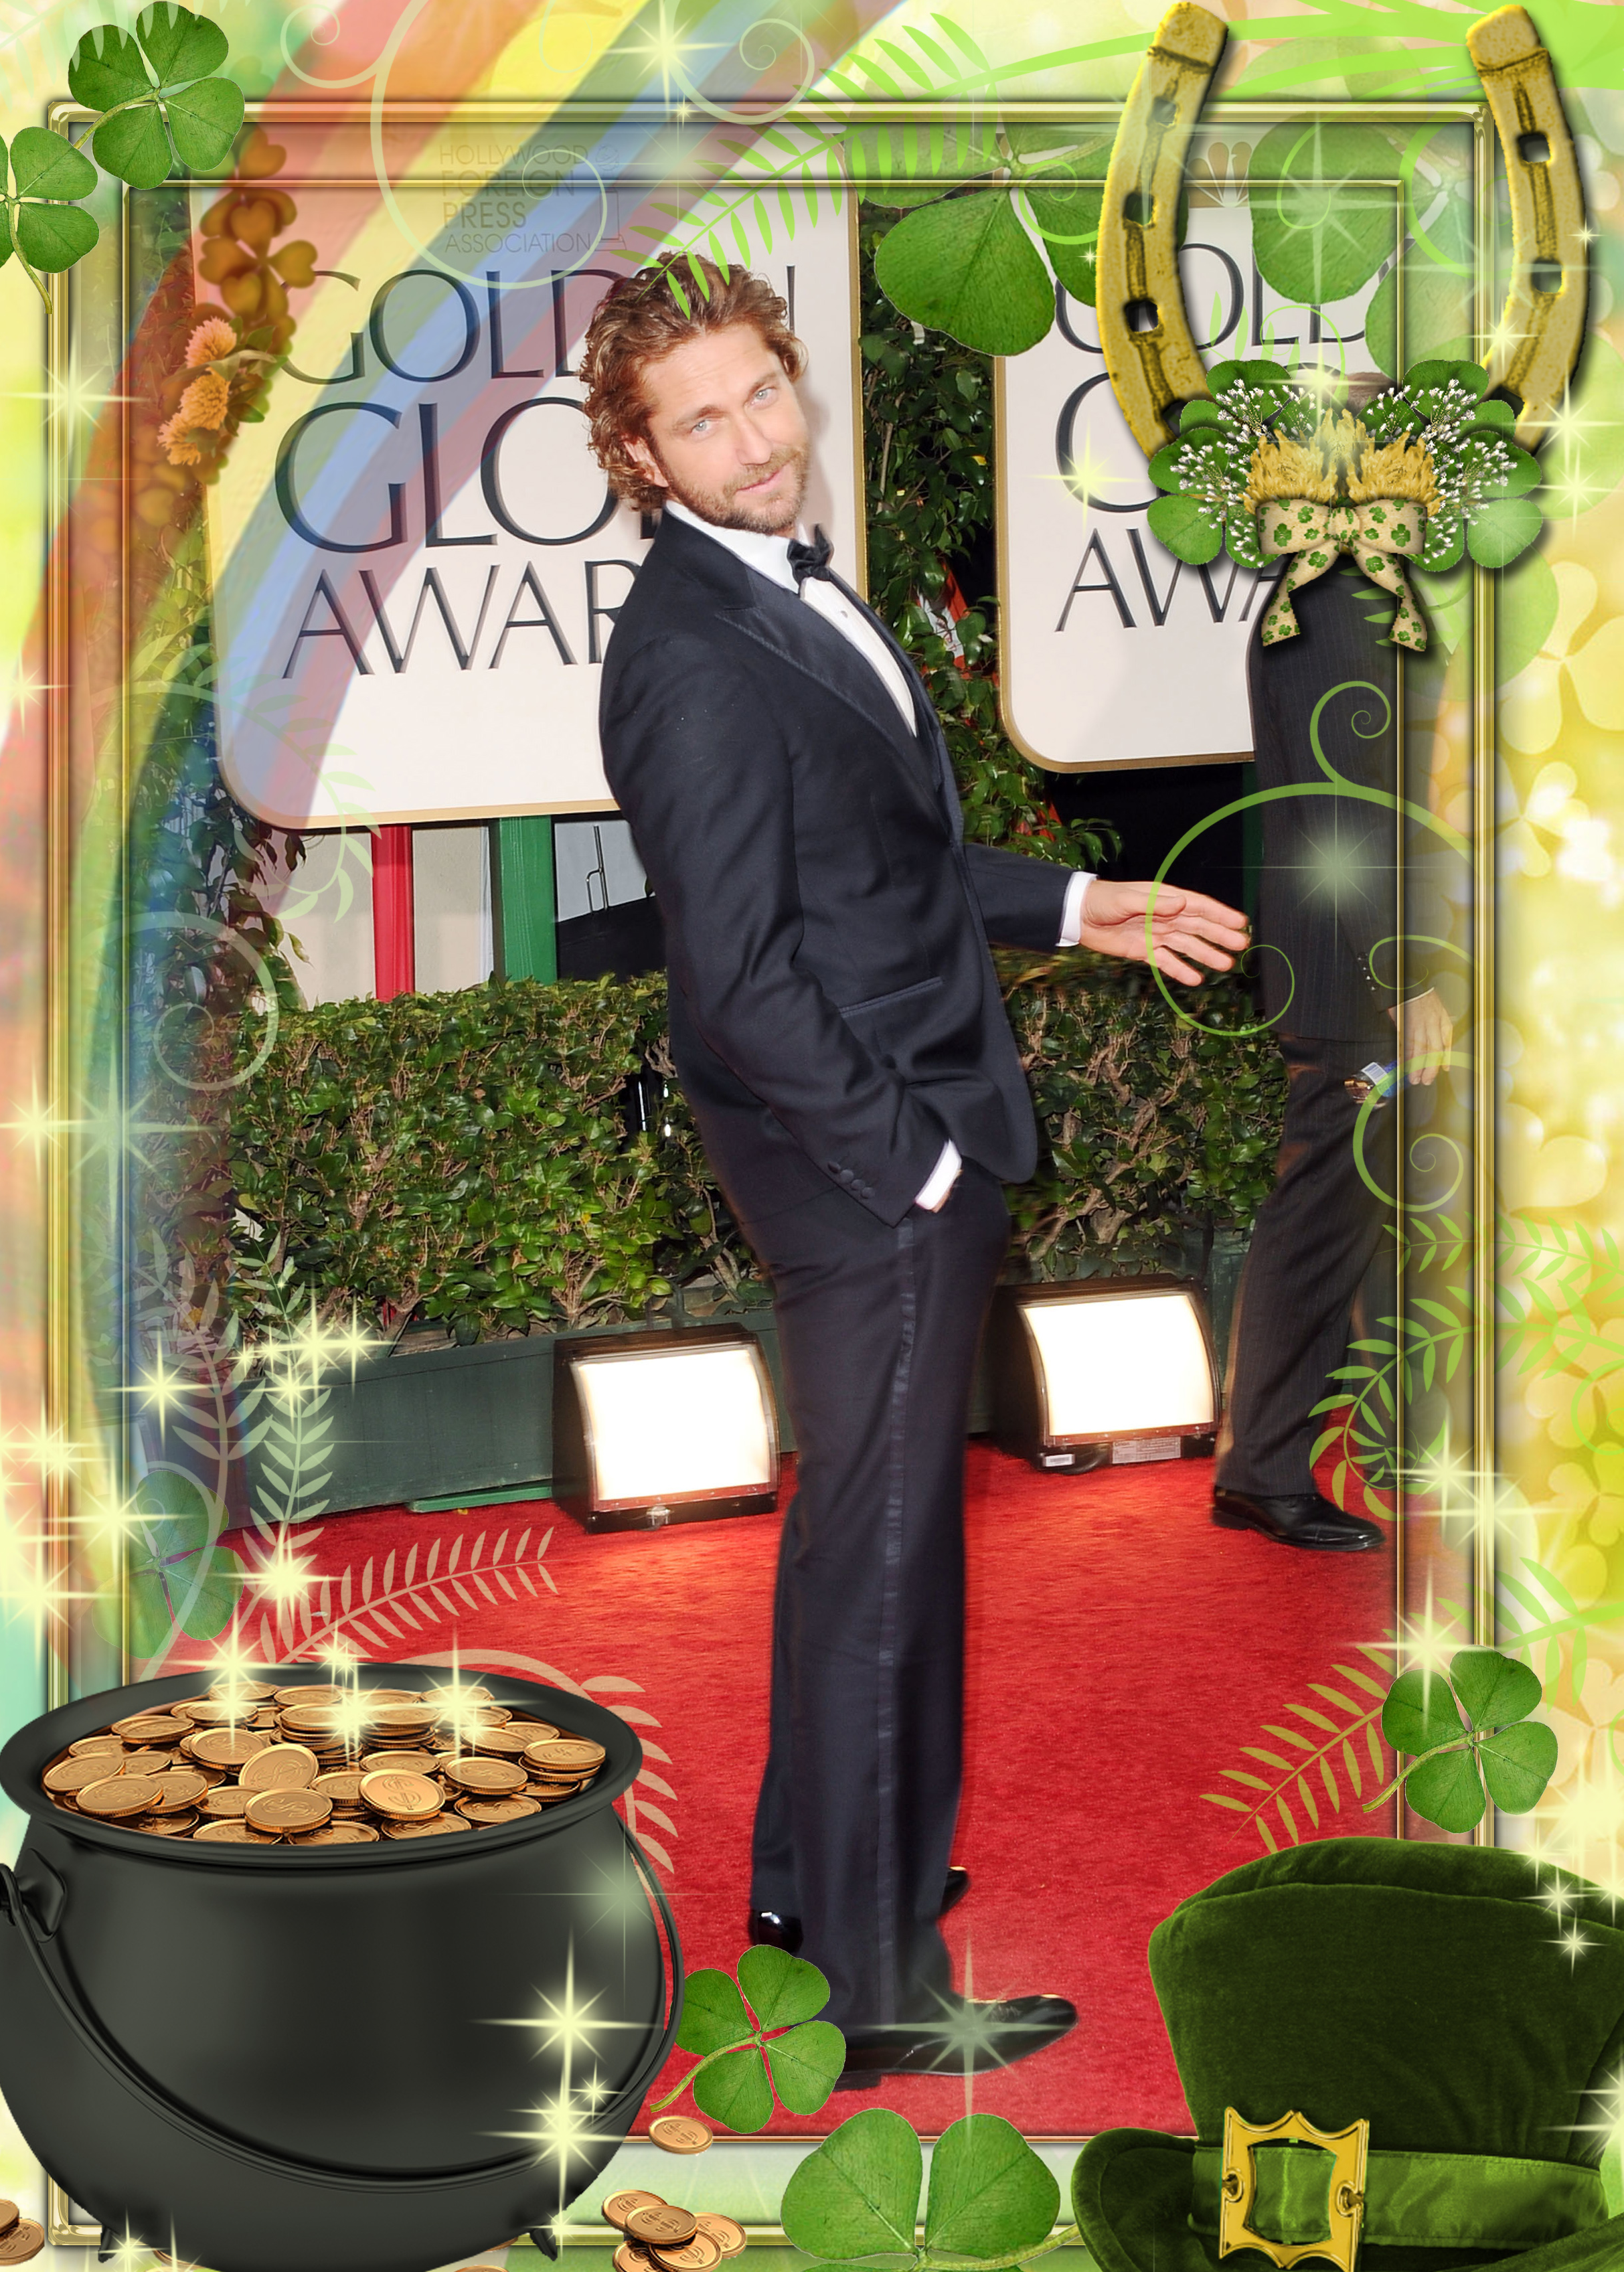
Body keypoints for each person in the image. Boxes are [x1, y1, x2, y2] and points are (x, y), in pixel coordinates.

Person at [580, 256, 1249, 2083]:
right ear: (640, 457)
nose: (752, 440)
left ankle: (812, 1894)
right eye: (700, 422)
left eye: (760, 393)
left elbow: (873, 871)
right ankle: (875, 1993)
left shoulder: (771, 583)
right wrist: (920, 1170)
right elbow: (738, 975)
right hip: (866, 1156)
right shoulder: (691, 656)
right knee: (886, 1562)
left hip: (882, 1131)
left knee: (859, 1541)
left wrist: (1082, 904)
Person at [1212, 465, 1455, 1552]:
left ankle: (1402, 1438)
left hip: (1379, 978)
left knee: (1395, 1208)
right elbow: (1348, 807)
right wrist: (1407, 974)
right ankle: (1263, 1469)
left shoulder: (1360, 592)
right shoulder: (1335, 601)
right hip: (1364, 987)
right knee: (1325, 1215)